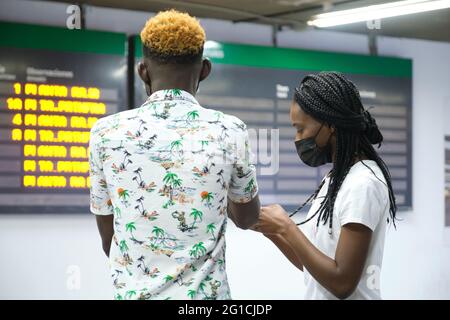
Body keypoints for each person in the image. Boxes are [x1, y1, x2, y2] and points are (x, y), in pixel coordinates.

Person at [89, 9, 260, 300]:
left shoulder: (105, 132)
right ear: (205, 69)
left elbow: (110, 239)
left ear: (143, 70)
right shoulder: (230, 130)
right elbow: (246, 218)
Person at [252, 71, 397, 300]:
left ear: (330, 125)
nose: (297, 138)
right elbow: (315, 265)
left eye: (301, 129)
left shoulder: (363, 184)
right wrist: (269, 229)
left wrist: (287, 227)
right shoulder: (336, 179)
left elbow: (341, 283)